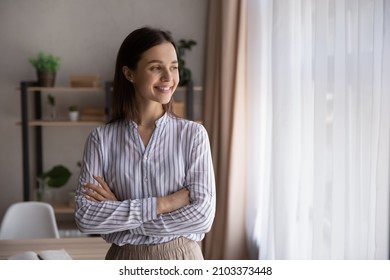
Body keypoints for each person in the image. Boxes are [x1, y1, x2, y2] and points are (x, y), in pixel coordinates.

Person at [74, 26, 216, 260]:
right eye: (156, 68)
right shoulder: (101, 140)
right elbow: (86, 217)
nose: (169, 78)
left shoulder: (193, 135)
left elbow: (202, 216)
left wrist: (123, 215)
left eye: (173, 67)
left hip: (181, 258)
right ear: (129, 73)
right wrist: (165, 203)